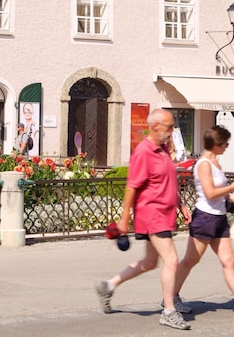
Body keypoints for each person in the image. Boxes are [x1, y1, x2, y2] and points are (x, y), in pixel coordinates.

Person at [95, 108, 192, 331]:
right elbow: (132, 186)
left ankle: (109, 286)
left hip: (164, 213)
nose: (171, 131)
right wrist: (123, 218)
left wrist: (180, 205)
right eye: (169, 127)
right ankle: (168, 310)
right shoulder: (144, 152)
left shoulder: (163, 150)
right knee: (171, 260)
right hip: (152, 214)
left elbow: (167, 180)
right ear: (155, 126)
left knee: (150, 262)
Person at [172, 126, 234, 318]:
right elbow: (209, 193)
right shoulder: (203, 164)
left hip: (218, 217)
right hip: (205, 218)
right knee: (190, 260)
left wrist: (231, 197)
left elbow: (218, 193)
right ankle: (170, 297)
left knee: (229, 261)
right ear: (217, 144)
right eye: (225, 144)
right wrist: (231, 188)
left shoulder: (215, 162)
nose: (227, 147)